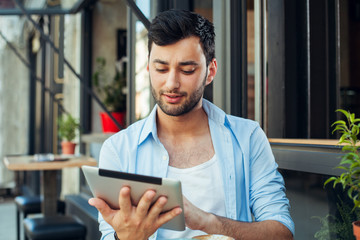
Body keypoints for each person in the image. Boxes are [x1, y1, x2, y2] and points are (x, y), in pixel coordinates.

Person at [89, 9, 295, 240]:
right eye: (161, 69)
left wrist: (208, 222)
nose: (171, 83)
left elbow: (282, 233)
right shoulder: (118, 149)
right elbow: (109, 234)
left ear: (210, 72)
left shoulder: (248, 137)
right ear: (148, 69)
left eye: (187, 70)